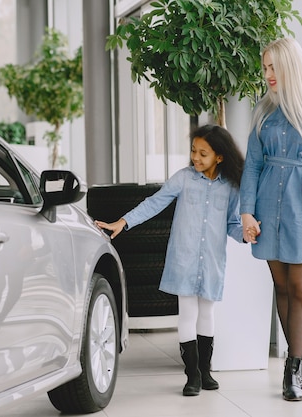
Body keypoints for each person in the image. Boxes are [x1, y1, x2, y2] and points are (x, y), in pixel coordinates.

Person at [95, 124, 246, 397]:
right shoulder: (184, 178)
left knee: (207, 313)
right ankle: (192, 375)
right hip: (184, 259)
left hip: (212, 260)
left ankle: (206, 370)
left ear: (220, 157)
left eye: (203, 153)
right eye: (193, 151)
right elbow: (154, 203)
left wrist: (248, 234)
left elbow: (233, 223)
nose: (195, 158)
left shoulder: (231, 188)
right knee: (187, 313)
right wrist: (124, 222)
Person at [239, 37, 302, 402]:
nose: (267, 74)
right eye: (265, 67)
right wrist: (246, 211)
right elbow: (252, 164)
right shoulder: (264, 109)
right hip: (268, 203)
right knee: (281, 287)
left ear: (291, 67)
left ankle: (294, 365)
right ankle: (296, 359)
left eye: (273, 67)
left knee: (301, 287)